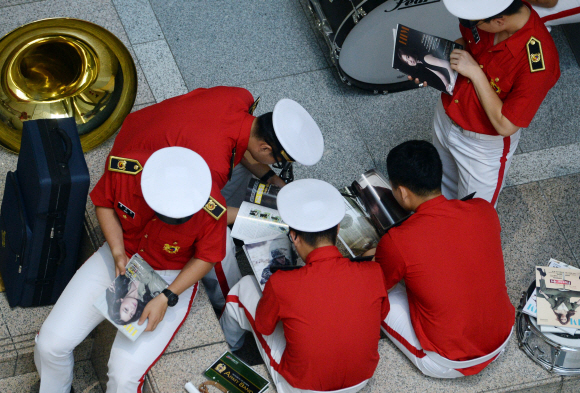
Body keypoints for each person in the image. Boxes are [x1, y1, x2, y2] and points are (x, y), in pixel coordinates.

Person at [35, 147, 230, 392]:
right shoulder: (127, 172)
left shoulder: (210, 206)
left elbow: (206, 257)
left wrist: (167, 296)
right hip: (122, 253)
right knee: (50, 344)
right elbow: (104, 204)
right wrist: (117, 252)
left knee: (123, 376)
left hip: (170, 275)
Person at [108, 88, 324, 308]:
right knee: (223, 246)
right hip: (139, 181)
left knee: (244, 173)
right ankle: (226, 303)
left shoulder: (240, 97)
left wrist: (271, 178)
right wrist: (267, 217)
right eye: (274, 160)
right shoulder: (214, 166)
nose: (273, 166)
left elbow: (237, 148)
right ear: (265, 147)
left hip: (142, 135)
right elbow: (210, 213)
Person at [220, 179, 389, 393]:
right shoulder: (373, 272)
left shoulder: (282, 282)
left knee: (242, 287)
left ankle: (228, 347)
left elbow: (264, 327)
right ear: (337, 229)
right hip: (361, 379)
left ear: (293, 236)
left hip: (302, 387)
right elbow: (380, 315)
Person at [371, 140, 514, 378]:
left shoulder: (398, 240)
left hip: (449, 361)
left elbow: (375, 288)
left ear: (402, 192)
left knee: (380, 297)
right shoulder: (483, 209)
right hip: (503, 337)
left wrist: (374, 255)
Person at [413, 0, 560, 207]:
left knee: (473, 213)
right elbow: (466, 42)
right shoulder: (483, 16)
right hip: (447, 115)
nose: (467, 25)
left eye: (472, 23)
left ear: (500, 21)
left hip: (481, 145)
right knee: (437, 191)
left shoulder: (538, 60)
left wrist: (475, 72)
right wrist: (433, 65)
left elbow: (505, 125)